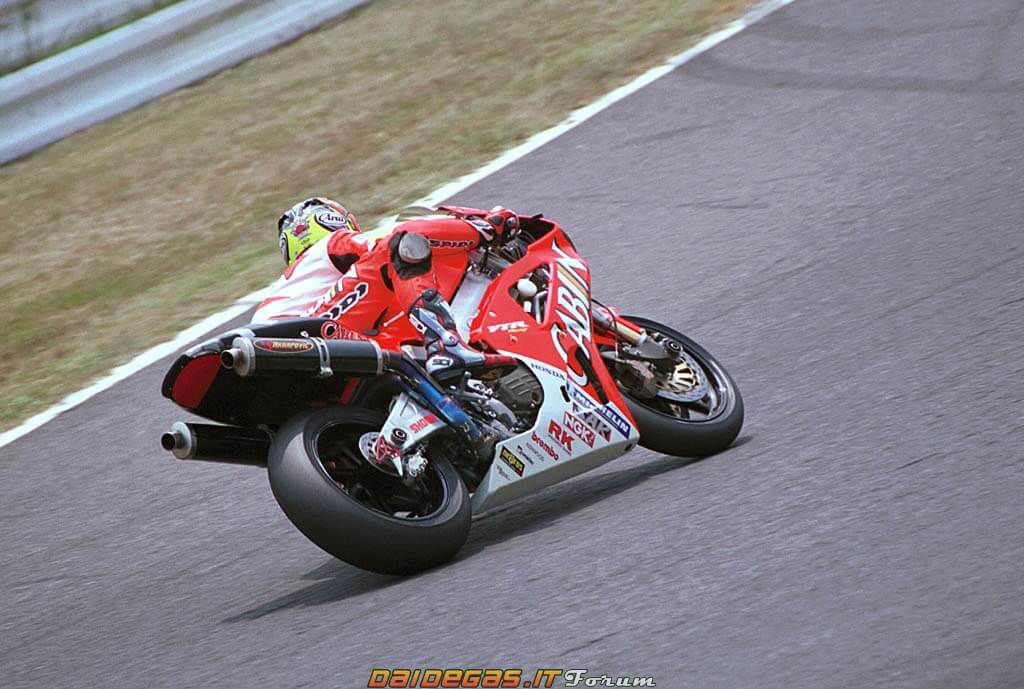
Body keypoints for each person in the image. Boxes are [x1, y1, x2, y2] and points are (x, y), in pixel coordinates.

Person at [252, 197, 519, 374]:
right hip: (302, 335)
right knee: (401, 245)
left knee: (399, 343)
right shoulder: (330, 245)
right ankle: (445, 345)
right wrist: (484, 230)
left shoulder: (300, 283)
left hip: (279, 354)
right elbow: (397, 239)